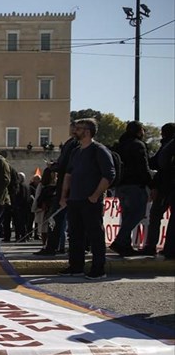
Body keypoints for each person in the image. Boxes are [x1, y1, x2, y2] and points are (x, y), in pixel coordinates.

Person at [59, 118, 115, 279]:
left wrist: (95, 195)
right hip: (74, 199)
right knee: (74, 234)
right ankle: (76, 266)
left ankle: (98, 268)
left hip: (90, 200)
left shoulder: (99, 150)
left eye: (78, 128)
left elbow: (109, 175)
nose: (74, 130)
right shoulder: (76, 151)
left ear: (87, 131)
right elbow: (68, 174)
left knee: (94, 234)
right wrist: (64, 196)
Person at [35, 123, 79, 256]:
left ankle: (52, 246)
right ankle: (56, 246)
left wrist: (54, 166)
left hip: (67, 186)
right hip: (72, 185)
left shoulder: (72, 144)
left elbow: (64, 164)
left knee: (57, 218)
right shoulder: (75, 144)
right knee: (65, 220)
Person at [110, 121, 151, 257]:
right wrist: (150, 185)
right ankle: (120, 241)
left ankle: (125, 246)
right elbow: (143, 167)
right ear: (139, 131)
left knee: (127, 216)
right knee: (138, 214)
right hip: (135, 184)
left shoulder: (119, 145)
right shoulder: (138, 145)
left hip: (121, 185)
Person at [143, 122, 175, 257]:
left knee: (155, 217)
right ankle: (169, 249)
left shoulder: (167, 146)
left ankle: (151, 246)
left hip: (164, 186)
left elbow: (157, 163)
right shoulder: (169, 145)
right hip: (167, 186)